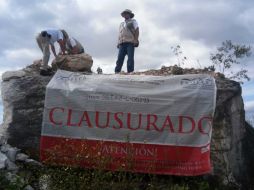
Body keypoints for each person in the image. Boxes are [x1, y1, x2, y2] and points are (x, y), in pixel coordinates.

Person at [115, 9, 139, 73]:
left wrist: (136, 40)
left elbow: (137, 30)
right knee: (119, 59)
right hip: (121, 43)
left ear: (130, 15)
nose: (126, 14)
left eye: (127, 13)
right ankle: (117, 72)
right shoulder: (121, 24)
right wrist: (118, 43)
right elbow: (120, 34)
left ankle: (130, 72)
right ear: (123, 15)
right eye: (125, 13)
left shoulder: (133, 21)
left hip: (130, 43)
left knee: (130, 59)